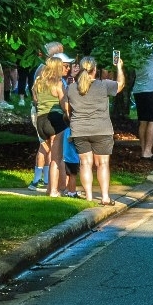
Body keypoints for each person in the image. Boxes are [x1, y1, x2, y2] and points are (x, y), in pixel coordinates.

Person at [64, 56, 125, 205]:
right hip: (101, 129)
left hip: (79, 130)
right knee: (102, 164)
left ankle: (89, 197)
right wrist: (119, 68)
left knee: (85, 164)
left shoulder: (72, 87)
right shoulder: (104, 85)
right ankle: (105, 197)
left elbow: (66, 109)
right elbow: (121, 85)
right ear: (95, 69)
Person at [31, 56, 69, 196]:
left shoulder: (38, 82)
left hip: (41, 120)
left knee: (49, 153)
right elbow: (64, 104)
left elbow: (35, 100)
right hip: (55, 120)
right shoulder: (58, 83)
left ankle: (53, 188)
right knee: (56, 158)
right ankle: (54, 190)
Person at [131, 47, 153, 160]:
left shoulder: (135, 45)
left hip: (139, 89)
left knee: (143, 120)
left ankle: (143, 150)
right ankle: (147, 151)